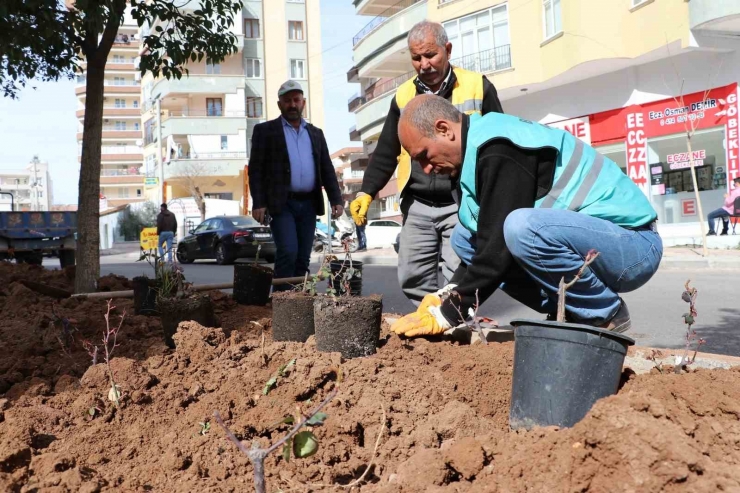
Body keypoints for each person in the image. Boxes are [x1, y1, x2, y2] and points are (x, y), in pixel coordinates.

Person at [391, 95, 663, 338]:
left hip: (634, 246)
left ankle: (603, 312)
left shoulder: (499, 147)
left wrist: (450, 313)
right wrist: (448, 295)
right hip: (599, 247)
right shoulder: (476, 152)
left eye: (424, 155)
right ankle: (570, 312)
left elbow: (496, 250)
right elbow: (485, 247)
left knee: (522, 228)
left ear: (444, 129)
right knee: (464, 238)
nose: (425, 169)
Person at [349, 21, 504, 305]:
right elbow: (386, 151)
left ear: (447, 50)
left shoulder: (477, 87)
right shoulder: (403, 95)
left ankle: (455, 327)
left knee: (456, 274)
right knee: (412, 275)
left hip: (461, 200)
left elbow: (499, 144)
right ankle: (428, 326)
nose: (424, 64)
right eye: (416, 58)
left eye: (431, 55)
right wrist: (366, 191)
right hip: (418, 203)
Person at [249, 80, 343, 289]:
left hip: (309, 204)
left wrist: (336, 199)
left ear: (303, 103)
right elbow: (256, 170)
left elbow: (326, 168)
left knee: (303, 257)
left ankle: (297, 300)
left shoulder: (315, 133)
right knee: (288, 251)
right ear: (279, 104)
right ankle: (281, 300)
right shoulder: (265, 131)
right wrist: (259, 203)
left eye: (296, 100)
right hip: (282, 204)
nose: (292, 104)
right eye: (287, 101)